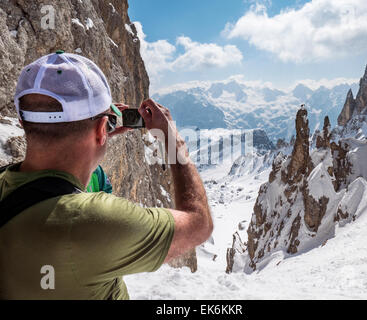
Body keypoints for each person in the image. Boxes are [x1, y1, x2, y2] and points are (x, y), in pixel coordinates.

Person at [0, 52, 213, 299]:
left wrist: (93, 137)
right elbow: (199, 224)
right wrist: (173, 141)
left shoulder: (7, 184)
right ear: (103, 129)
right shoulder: (88, 222)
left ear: (22, 122)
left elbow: (52, 184)